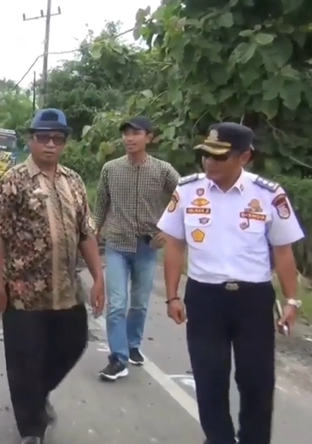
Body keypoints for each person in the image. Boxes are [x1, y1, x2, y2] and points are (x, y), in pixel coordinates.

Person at [157, 122, 303, 444]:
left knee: (256, 380)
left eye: (219, 157)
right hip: (205, 297)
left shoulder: (268, 194)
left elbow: (283, 250)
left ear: (245, 157)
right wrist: (172, 297)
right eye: (206, 155)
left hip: (252, 300)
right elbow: (174, 244)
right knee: (210, 378)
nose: (209, 163)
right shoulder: (187, 190)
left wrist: (292, 301)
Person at [0, 108, 105, 444]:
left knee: (73, 344)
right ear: (31, 140)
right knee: (24, 362)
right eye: (43, 138)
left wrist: (98, 277)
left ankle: (36, 395)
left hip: (66, 291)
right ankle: (31, 430)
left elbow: (86, 232)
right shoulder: (13, 181)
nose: (50, 145)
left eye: (57, 139)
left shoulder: (74, 181)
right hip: (23, 293)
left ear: (65, 142)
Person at [93, 116, 180, 381]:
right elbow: (100, 206)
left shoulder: (163, 170)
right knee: (117, 304)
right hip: (117, 243)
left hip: (147, 245)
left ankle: (133, 346)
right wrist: (92, 235)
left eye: (136, 133)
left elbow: (185, 198)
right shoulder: (111, 168)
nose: (129, 139)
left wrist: (168, 229)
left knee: (140, 304)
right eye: (126, 134)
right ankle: (118, 358)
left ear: (149, 137)